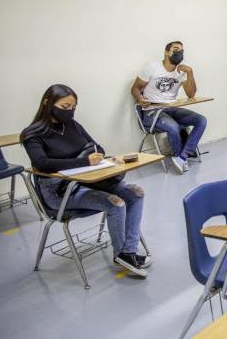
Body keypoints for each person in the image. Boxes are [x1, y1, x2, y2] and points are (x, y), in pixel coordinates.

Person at [21, 84, 150, 277]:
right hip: (60, 192)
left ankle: (128, 252)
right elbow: (43, 164)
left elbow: (98, 148)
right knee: (116, 203)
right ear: (47, 103)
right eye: (65, 107)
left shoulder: (73, 126)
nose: (70, 111)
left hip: (88, 181)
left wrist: (98, 158)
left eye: (73, 107)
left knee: (135, 193)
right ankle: (122, 255)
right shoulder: (32, 134)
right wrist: (84, 160)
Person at [130, 41, 207, 174]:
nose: (179, 53)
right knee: (173, 127)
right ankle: (178, 155)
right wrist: (140, 99)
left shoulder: (181, 72)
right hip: (152, 112)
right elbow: (135, 88)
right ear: (166, 52)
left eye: (182, 51)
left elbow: (191, 94)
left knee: (201, 120)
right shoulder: (152, 67)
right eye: (176, 49)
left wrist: (190, 72)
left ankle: (182, 157)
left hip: (171, 109)